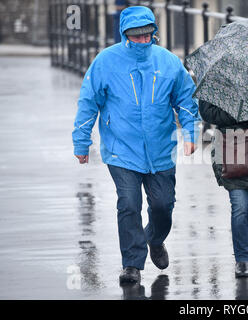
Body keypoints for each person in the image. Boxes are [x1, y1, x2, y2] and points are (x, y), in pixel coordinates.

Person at [72, 6, 199, 284]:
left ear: (154, 34)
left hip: (160, 149)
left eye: (147, 36)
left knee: (163, 205)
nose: (142, 41)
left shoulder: (168, 62)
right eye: (136, 37)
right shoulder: (106, 62)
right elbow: (88, 102)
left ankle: (155, 239)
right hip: (121, 148)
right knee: (129, 204)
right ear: (124, 35)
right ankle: (132, 263)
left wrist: (190, 134)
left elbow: (187, 101)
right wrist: (81, 142)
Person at [199, 101, 248, 278]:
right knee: (239, 207)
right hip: (231, 151)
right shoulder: (216, 79)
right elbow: (207, 112)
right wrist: (236, 112)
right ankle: (241, 259)